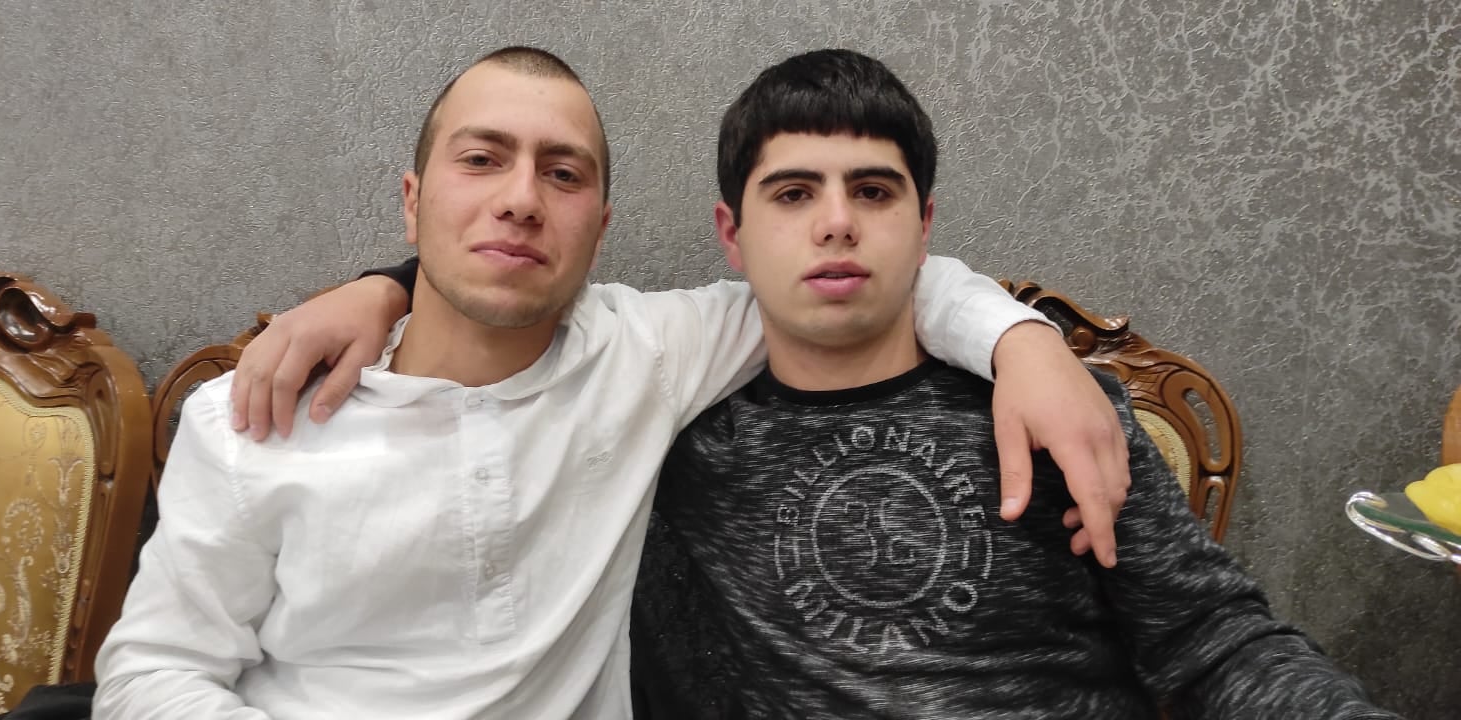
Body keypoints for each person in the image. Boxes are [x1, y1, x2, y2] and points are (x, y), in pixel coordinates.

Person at [94, 47, 1129, 719]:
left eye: (562, 173)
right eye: (481, 160)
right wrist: (383, 287)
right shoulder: (252, 417)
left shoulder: (648, 353)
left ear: (599, 226)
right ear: (411, 202)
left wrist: (1025, 346)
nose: (520, 199)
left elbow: (861, 274)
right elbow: (149, 676)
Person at [627, 49, 1397, 719]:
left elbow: (1214, 642)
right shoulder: (680, 447)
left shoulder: (1055, 410)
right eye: (794, 193)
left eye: (873, 191)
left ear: (925, 226)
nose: (837, 223)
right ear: (733, 234)